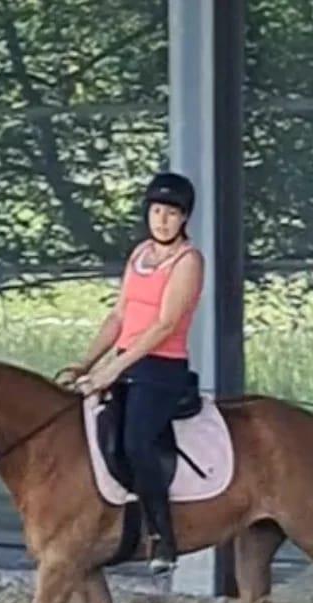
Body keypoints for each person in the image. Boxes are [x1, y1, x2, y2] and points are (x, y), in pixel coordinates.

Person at [59, 171, 204, 575]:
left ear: (184, 219)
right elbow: (120, 314)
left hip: (161, 367)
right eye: (157, 211)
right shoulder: (140, 254)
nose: (162, 220)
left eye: (171, 213)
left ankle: (163, 537)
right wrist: (86, 363)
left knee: (138, 441)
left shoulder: (188, 262)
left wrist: (113, 369)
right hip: (126, 360)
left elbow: (163, 325)